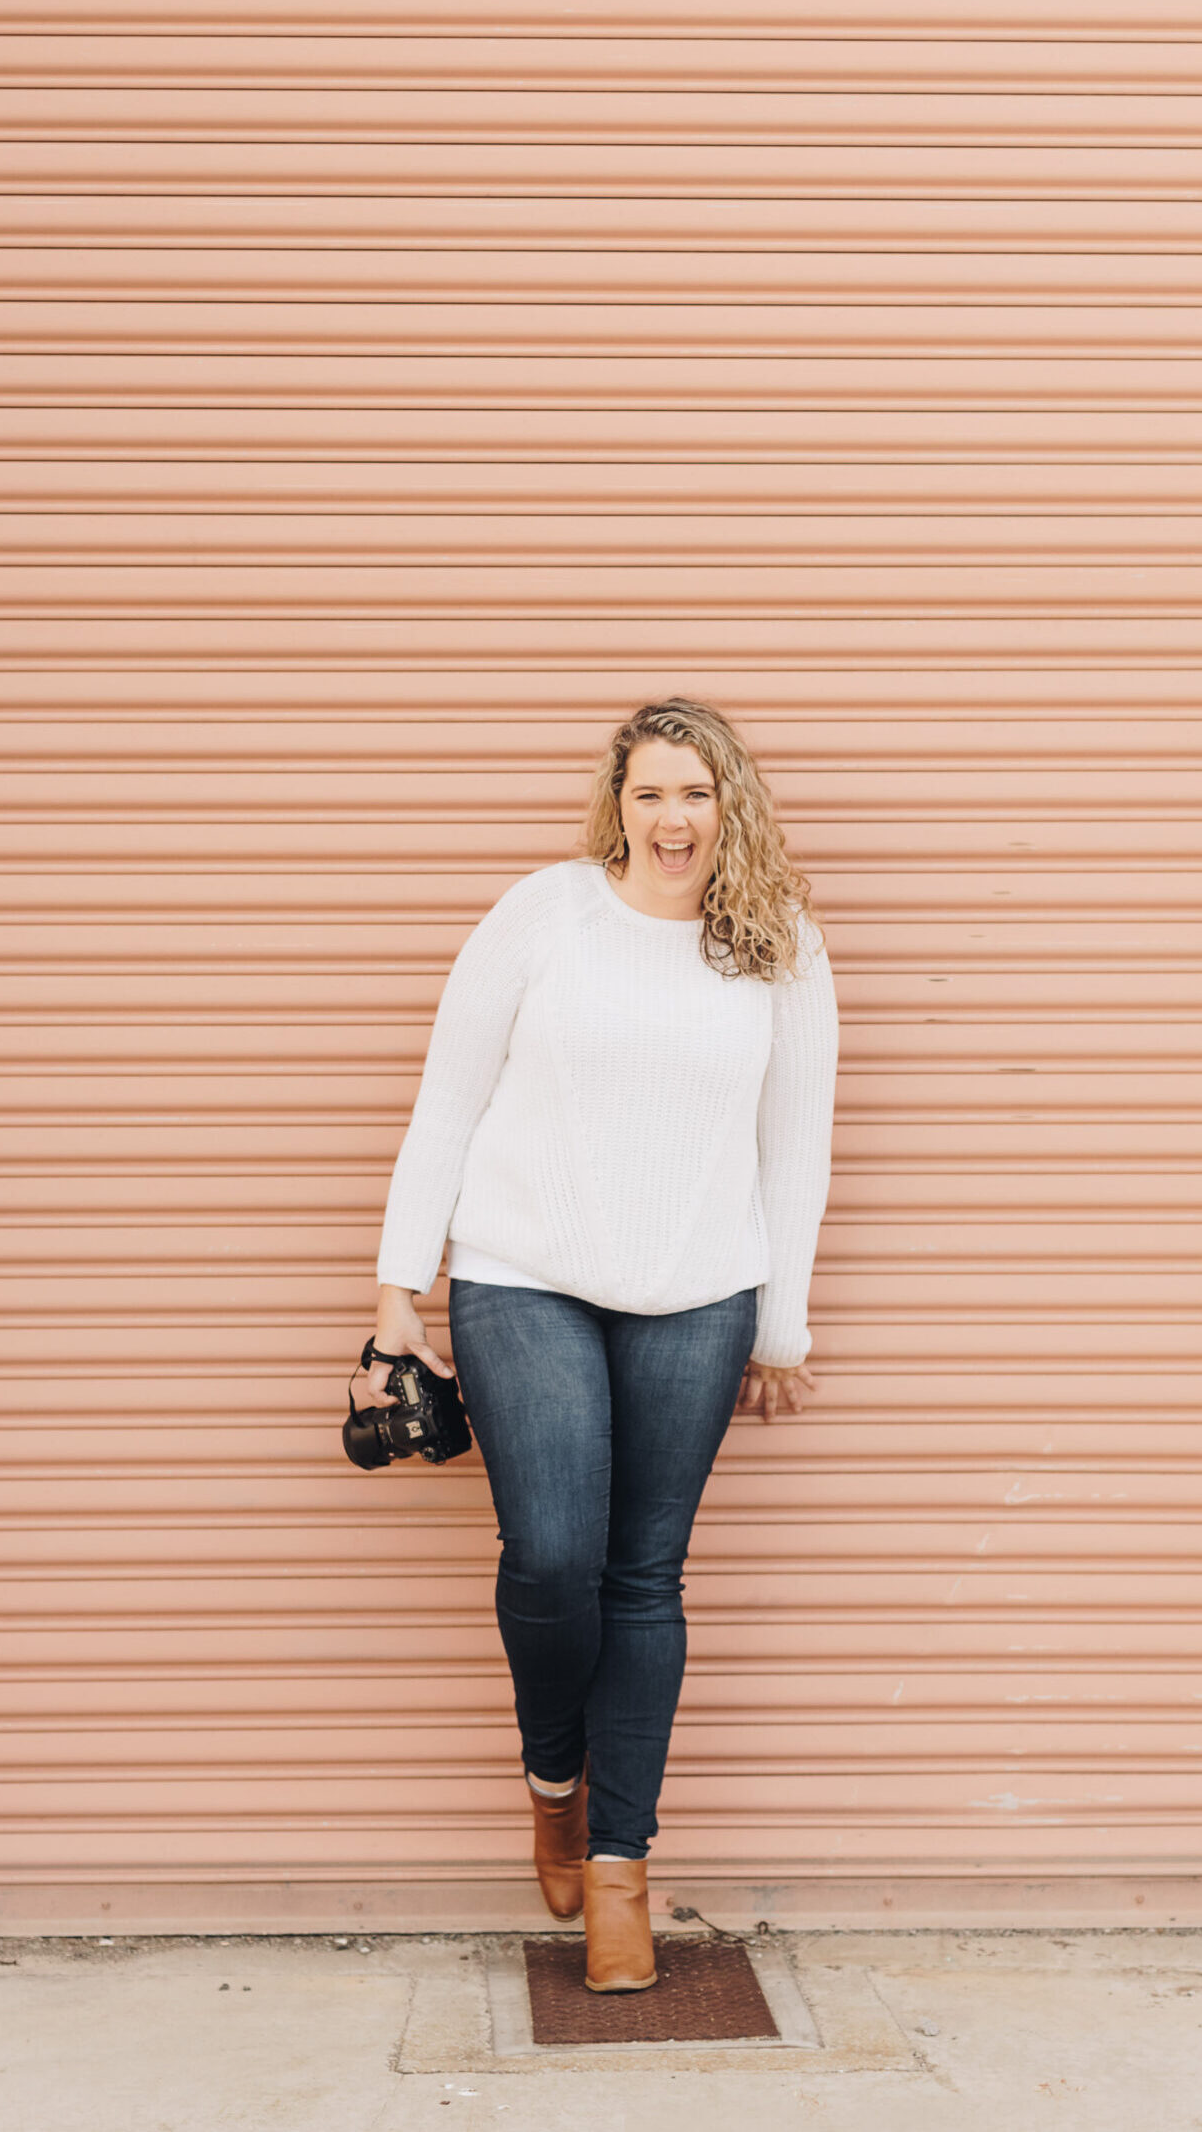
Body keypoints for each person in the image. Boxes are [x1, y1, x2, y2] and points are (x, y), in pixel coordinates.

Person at [364, 696, 839, 1992]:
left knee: (643, 1578)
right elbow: (448, 1097)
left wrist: (780, 1320)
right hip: (525, 1274)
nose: (672, 818)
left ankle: (620, 1865)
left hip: (698, 1290)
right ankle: (552, 1778)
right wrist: (400, 1283)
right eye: (649, 794)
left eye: (695, 793)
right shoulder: (543, 915)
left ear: (727, 803)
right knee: (554, 1554)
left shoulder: (777, 946)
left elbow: (793, 1145)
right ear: (615, 805)